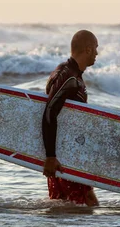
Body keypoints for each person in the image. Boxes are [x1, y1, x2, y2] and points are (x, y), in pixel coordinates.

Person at [41, 30, 99, 206]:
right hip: (65, 157)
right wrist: (51, 156)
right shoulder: (68, 77)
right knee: (86, 203)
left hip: (65, 154)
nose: (97, 53)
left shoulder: (70, 74)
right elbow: (50, 111)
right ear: (87, 49)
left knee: (63, 206)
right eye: (95, 48)